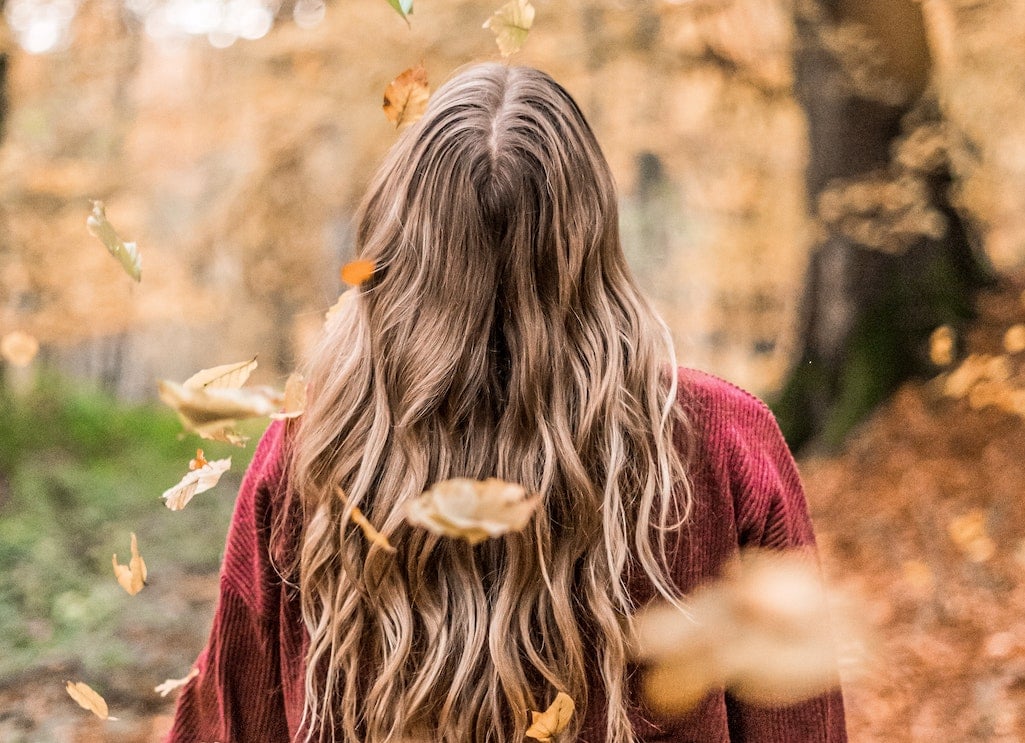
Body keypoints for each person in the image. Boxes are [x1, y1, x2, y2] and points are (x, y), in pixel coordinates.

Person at [166, 63, 846, 742]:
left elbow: (230, 720)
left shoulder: (313, 447)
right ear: (592, 239)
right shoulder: (721, 438)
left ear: (399, 244)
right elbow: (799, 720)